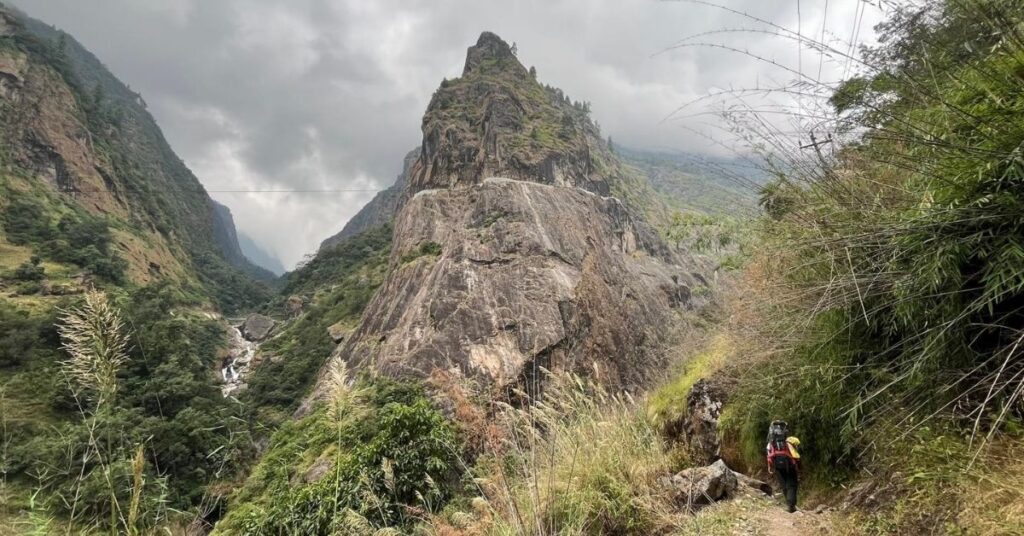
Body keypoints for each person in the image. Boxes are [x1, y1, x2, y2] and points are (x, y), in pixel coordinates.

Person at [766, 420, 800, 513]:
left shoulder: (770, 443)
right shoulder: (790, 440)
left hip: (777, 466)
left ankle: (789, 504)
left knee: (784, 485)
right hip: (790, 465)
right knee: (791, 484)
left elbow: (768, 455)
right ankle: (791, 505)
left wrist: (770, 467)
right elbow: (798, 448)